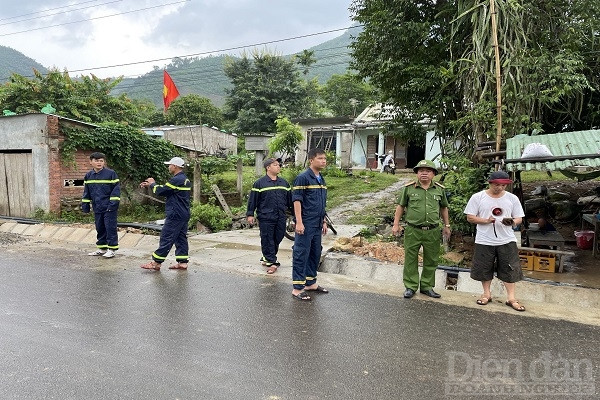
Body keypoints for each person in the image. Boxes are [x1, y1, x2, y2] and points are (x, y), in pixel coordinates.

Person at [464, 170, 526, 311]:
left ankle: (511, 298)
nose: (500, 188)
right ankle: (486, 294)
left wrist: (512, 222)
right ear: (490, 183)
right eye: (497, 185)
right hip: (484, 239)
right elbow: (470, 217)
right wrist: (486, 220)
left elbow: (519, 218)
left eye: (503, 185)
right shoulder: (478, 197)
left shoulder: (512, 198)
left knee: (510, 267)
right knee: (484, 267)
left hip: (507, 239)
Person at [392, 160, 451, 299]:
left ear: (434, 174)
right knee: (410, 259)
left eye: (428, 171)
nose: (424, 173)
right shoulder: (409, 188)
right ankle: (411, 286)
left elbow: (444, 208)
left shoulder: (439, 189)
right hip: (413, 230)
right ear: (417, 173)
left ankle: (426, 286)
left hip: (432, 230)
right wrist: (396, 224)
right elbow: (401, 206)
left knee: (431, 259)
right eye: (421, 171)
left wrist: (447, 226)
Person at [139, 157, 192, 271]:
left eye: (170, 165)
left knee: (166, 236)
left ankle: (156, 262)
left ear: (175, 166)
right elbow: (167, 189)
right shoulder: (183, 179)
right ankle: (182, 262)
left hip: (175, 214)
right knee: (180, 237)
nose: (169, 167)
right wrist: (151, 185)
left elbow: (162, 191)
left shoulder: (177, 179)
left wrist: (152, 184)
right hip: (183, 213)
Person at [291, 148, 330, 301]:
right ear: (311, 160)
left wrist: (324, 220)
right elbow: (297, 200)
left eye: (325, 158)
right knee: (301, 253)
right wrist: (299, 222)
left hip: (317, 223)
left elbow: (322, 203)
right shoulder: (303, 178)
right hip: (306, 223)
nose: (324, 161)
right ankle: (297, 288)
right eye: (320, 158)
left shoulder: (321, 178)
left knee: (315, 252)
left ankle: (310, 283)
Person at [246, 157, 292, 274]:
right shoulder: (260, 183)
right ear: (268, 168)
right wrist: (250, 214)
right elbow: (253, 200)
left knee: (278, 237)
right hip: (266, 217)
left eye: (278, 165)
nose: (278, 166)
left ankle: (267, 257)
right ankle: (272, 262)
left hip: (281, 216)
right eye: (276, 165)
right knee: (267, 239)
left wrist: (295, 216)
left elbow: (290, 201)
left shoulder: (284, 183)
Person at [81, 152, 120, 258]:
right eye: (96, 160)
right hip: (97, 206)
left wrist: (112, 205)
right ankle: (102, 248)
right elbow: (86, 191)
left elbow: (116, 191)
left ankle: (112, 249)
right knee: (100, 227)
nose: (99, 163)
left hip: (109, 207)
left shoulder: (111, 174)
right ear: (91, 162)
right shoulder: (89, 176)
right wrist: (85, 205)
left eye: (101, 161)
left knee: (110, 227)